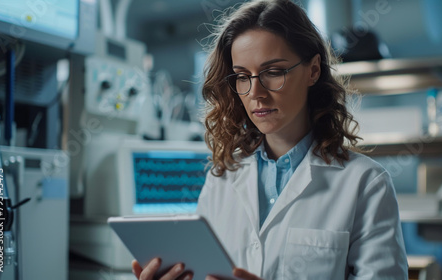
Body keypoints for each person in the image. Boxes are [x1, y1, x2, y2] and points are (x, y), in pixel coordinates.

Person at [132, 0, 408, 279]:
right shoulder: (222, 180)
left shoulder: (366, 183)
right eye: (242, 76)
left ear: (313, 70)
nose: (256, 93)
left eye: (273, 72)